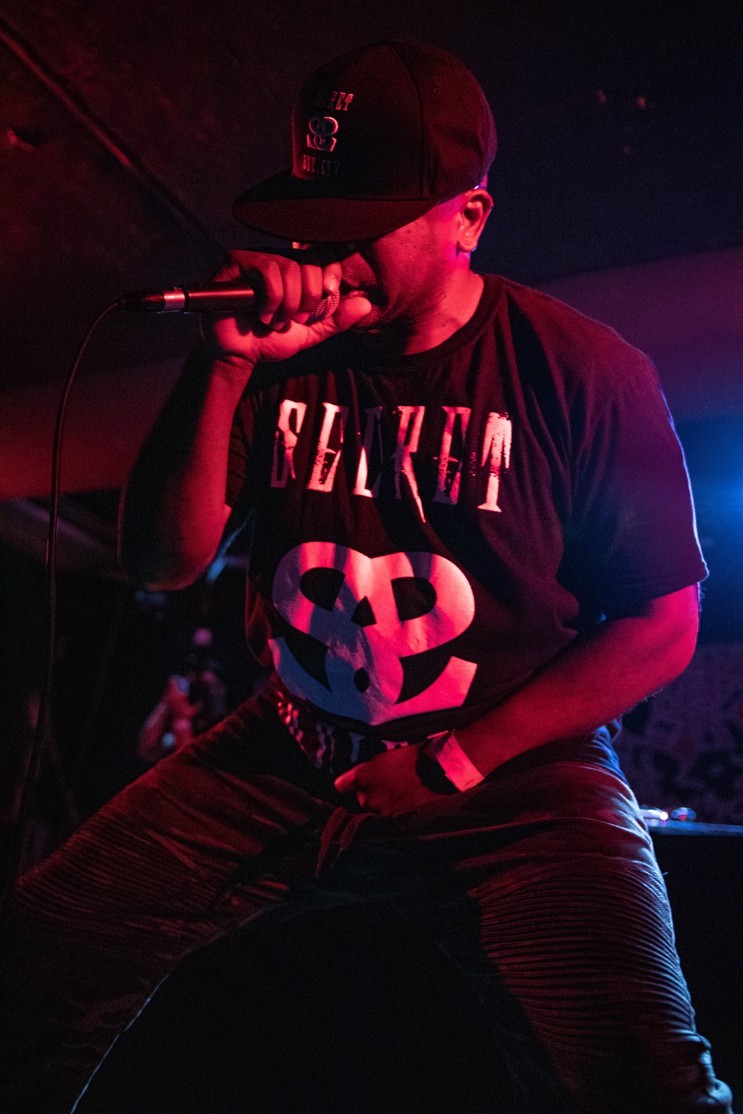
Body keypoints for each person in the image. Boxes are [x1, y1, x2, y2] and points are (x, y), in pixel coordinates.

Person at [0, 39, 733, 1113]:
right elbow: (164, 562)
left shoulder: (581, 371)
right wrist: (223, 363)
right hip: (291, 746)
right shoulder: (280, 353)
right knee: (32, 963)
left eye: (363, 224)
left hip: (518, 775)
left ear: (467, 218)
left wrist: (453, 763)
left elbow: (661, 624)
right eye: (314, 220)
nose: (324, 252)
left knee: (640, 1077)